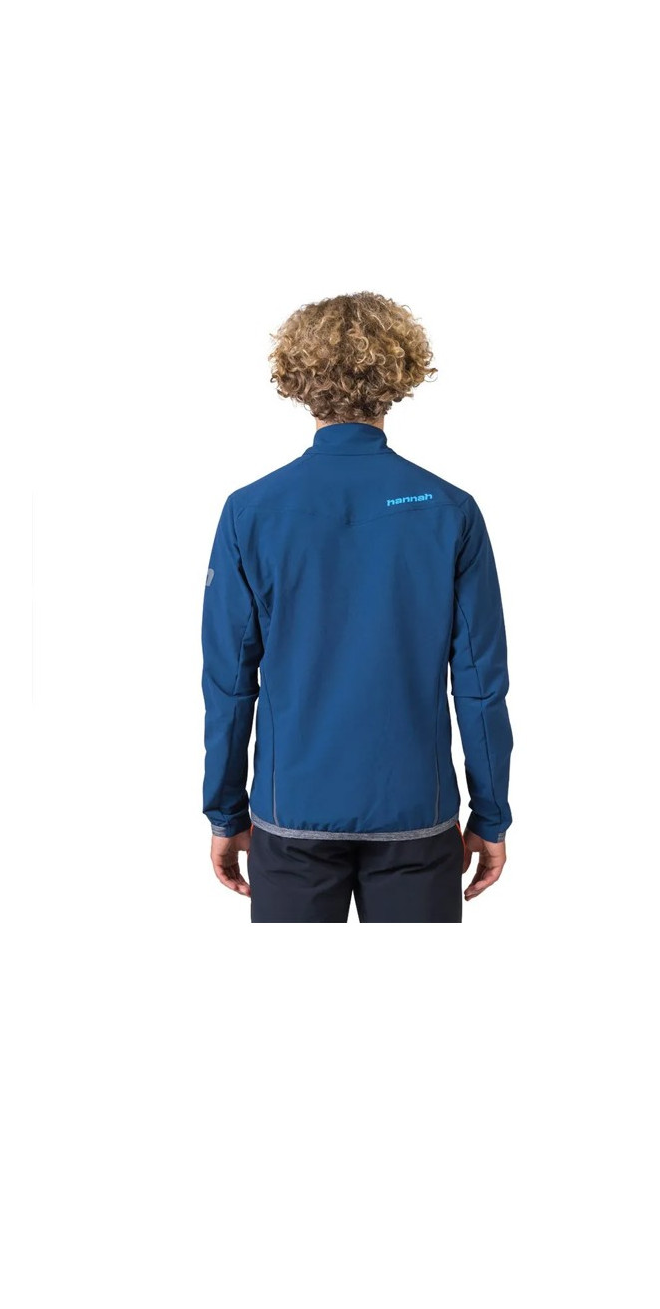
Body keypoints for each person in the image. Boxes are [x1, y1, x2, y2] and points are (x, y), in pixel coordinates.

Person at [201, 292, 513, 923]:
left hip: (292, 813)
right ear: (398, 373)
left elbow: (229, 684)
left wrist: (225, 813)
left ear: (297, 376)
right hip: (416, 813)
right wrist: (491, 815)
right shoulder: (449, 509)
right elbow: (481, 686)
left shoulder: (250, 512)